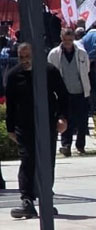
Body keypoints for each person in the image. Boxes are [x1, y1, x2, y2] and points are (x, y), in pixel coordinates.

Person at [6, 43, 69, 218]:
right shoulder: (13, 76)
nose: (25, 61)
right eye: (22, 57)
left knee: (47, 161)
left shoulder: (49, 71)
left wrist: (63, 118)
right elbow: (10, 105)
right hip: (24, 126)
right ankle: (27, 200)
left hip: (47, 124)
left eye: (28, 57)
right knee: (28, 159)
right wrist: (10, 129)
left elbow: (63, 96)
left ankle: (46, 197)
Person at [47, 28, 91, 156]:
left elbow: (86, 69)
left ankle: (80, 145)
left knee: (82, 120)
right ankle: (66, 145)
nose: (68, 42)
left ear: (74, 39)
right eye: (65, 40)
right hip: (63, 93)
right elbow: (51, 72)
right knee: (65, 119)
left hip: (80, 91)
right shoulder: (54, 54)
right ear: (61, 38)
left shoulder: (81, 53)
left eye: (70, 40)